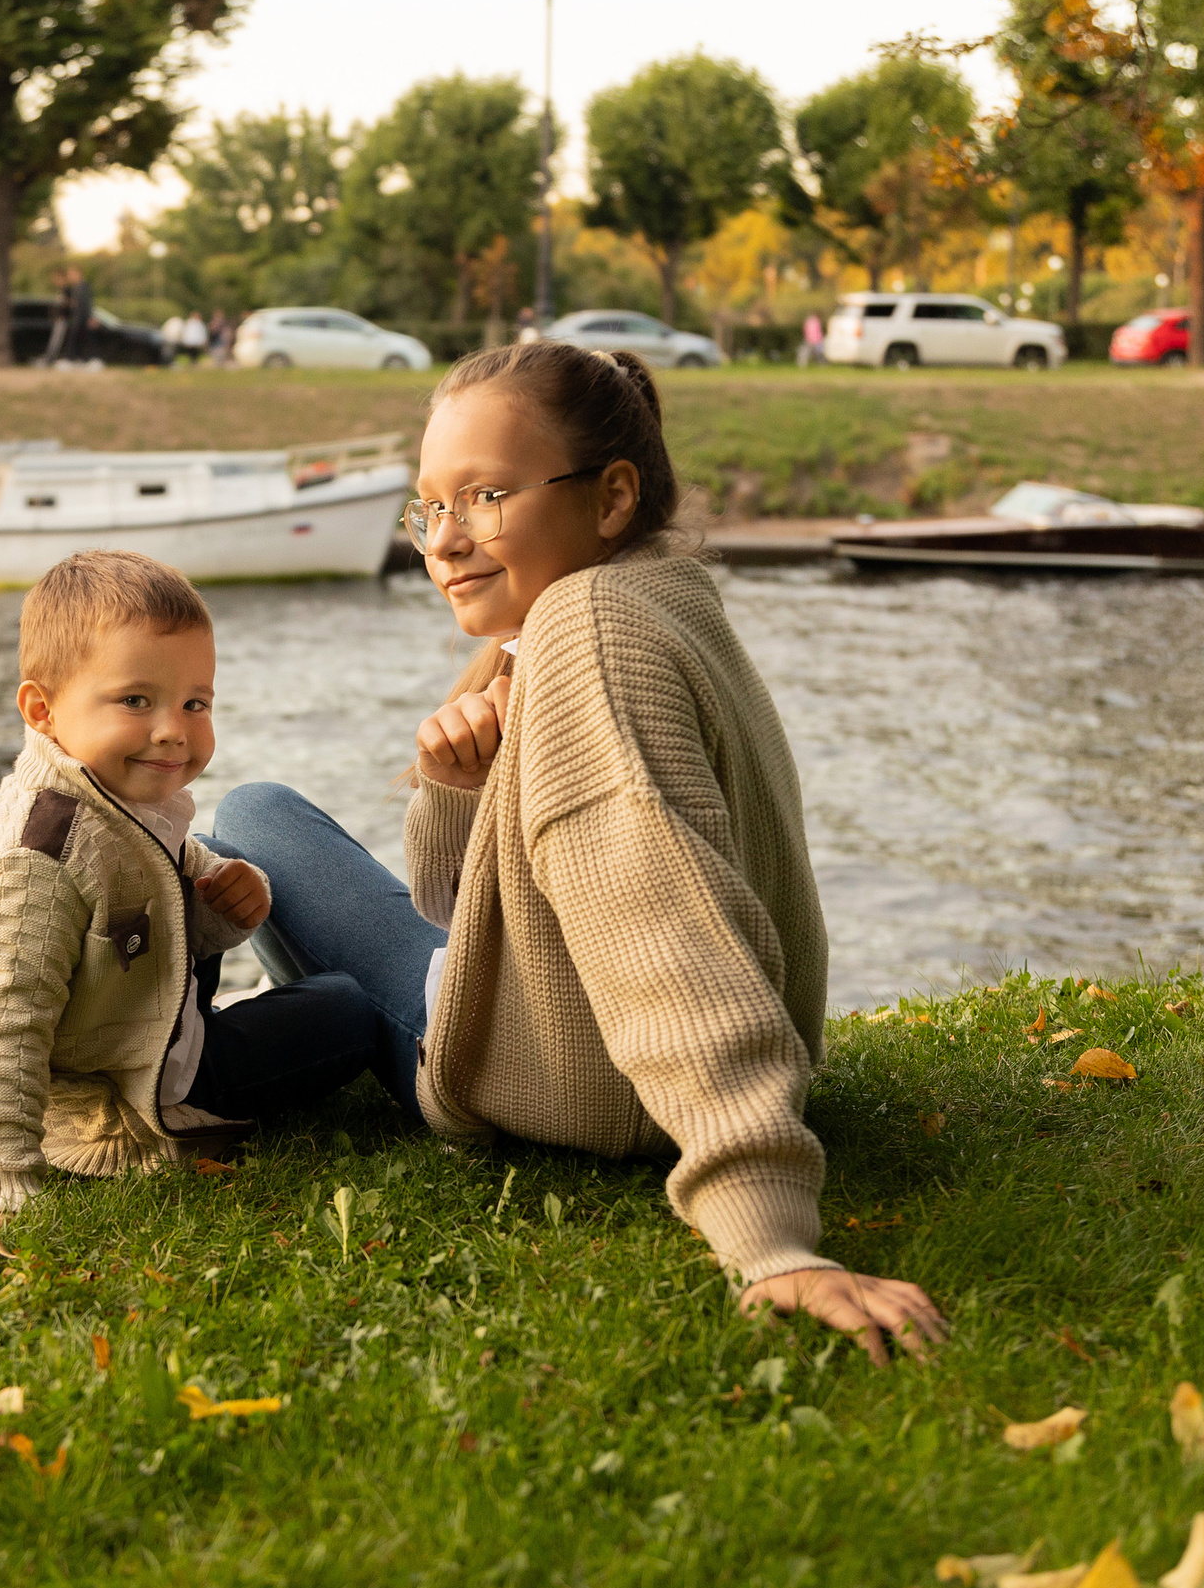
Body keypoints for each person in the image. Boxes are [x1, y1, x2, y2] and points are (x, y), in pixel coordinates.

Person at [204, 340, 950, 1366]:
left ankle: (206, 1054)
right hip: (585, 1038)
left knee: (249, 815)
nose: (445, 541)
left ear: (608, 500)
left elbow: (659, 916)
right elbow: (469, 901)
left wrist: (767, 1232)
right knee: (267, 821)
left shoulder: (588, 632)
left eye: (485, 497)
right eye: (430, 507)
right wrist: (458, 792)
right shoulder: (659, 597)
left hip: (573, 1081)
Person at [0, 549, 385, 1231]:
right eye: (136, 700)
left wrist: (225, 900)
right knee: (350, 1007)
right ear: (42, 708)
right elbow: (2, 1028)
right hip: (118, 1095)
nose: (173, 730)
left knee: (222, 859)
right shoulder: (35, 862)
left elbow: (156, 879)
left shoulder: (104, 793)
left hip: (121, 1022)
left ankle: (224, 1005)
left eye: (196, 702)